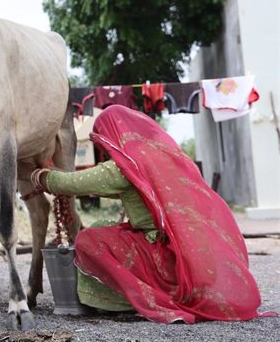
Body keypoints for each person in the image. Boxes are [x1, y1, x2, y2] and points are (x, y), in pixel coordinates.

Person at [31, 104, 274, 323]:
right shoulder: (167, 160)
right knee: (108, 224)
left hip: (160, 256)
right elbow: (126, 193)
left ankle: (133, 300)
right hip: (186, 256)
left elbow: (71, 184)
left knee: (90, 239)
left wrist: (42, 176)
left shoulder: (122, 168)